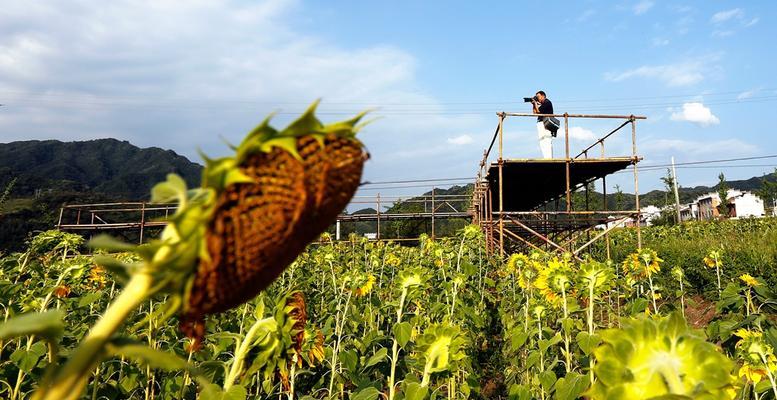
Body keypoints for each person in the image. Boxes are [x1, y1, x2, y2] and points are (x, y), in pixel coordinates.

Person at [532, 91, 554, 159]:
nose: (537, 98)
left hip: (545, 123)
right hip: (541, 123)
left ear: (543, 96)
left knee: (547, 139)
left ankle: (549, 158)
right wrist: (533, 104)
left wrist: (535, 103)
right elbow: (535, 113)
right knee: (542, 140)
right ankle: (546, 158)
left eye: (538, 97)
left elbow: (538, 112)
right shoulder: (543, 104)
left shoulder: (547, 102)